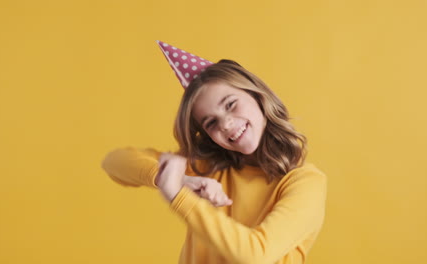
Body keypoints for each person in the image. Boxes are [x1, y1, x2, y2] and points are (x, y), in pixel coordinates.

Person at [101, 40, 327, 264]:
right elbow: (114, 162)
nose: (226, 124)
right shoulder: (205, 167)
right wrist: (171, 179)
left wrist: (178, 196)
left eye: (230, 104)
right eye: (211, 122)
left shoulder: (305, 182)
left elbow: (255, 254)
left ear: (257, 96)